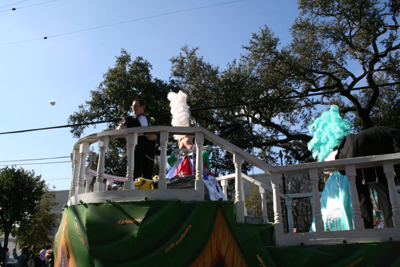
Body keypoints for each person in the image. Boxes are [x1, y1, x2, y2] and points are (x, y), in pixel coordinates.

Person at [308, 105, 400, 229]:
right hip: (373, 156)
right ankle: (386, 228)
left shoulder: (350, 149)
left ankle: (381, 228)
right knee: (379, 190)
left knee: (377, 190)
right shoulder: (349, 149)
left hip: (385, 147)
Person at [117, 99, 157, 179]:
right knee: (135, 175)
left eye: (135, 106)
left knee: (148, 176)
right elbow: (119, 129)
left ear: (142, 107)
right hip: (136, 151)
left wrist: (155, 136)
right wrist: (120, 127)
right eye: (132, 106)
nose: (133, 108)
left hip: (149, 151)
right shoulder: (128, 119)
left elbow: (157, 134)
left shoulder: (151, 120)